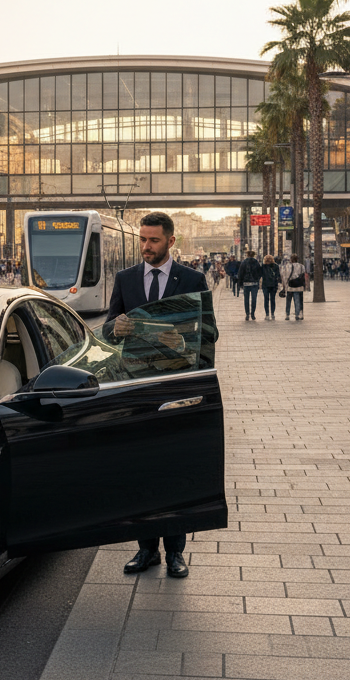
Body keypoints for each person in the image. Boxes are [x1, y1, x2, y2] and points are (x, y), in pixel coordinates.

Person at [106, 211, 216, 580]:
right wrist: (114, 327)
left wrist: (185, 345)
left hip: (176, 388)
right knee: (140, 469)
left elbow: (210, 333)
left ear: (171, 241)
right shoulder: (125, 279)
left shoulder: (193, 279)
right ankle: (146, 549)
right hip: (136, 389)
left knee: (174, 468)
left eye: (153, 240)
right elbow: (108, 329)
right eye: (142, 239)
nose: (145, 246)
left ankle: (175, 554)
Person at [237, 250, 263, 321]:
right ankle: (253, 314)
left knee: (246, 299)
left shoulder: (244, 262)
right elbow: (260, 272)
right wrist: (257, 279)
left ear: (247, 255)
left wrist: (240, 283)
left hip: (246, 283)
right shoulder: (256, 262)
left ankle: (247, 314)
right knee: (254, 299)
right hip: (254, 283)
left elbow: (240, 273)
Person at [281, 253, 307, 321]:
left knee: (288, 301)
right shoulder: (302, 266)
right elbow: (304, 276)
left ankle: (287, 314)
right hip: (299, 286)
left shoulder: (287, 266)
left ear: (291, 259)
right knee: (298, 300)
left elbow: (285, 276)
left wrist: (284, 285)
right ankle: (297, 314)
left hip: (290, 286)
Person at [260, 254, 280, 320]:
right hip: (273, 285)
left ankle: (267, 314)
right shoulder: (276, 266)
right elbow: (278, 275)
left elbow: (261, 275)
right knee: (273, 299)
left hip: (265, 285)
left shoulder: (263, 266)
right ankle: (272, 314)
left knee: (266, 300)